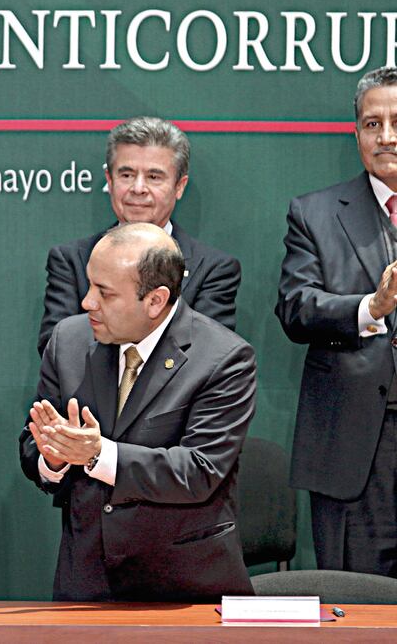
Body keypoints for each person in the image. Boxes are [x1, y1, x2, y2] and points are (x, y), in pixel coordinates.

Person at [22, 223, 255, 601]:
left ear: (155, 300)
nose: (87, 302)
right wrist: (53, 459)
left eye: (105, 293)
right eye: (89, 285)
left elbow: (199, 470)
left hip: (181, 589)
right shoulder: (67, 341)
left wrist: (98, 454)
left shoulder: (224, 359)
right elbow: (32, 448)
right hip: (86, 583)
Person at [276, 66, 397, 576]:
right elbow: (295, 306)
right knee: (359, 602)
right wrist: (371, 307)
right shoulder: (316, 213)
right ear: (356, 133)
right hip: (356, 450)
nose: (386, 135)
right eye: (372, 123)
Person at [38, 116, 240, 355]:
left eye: (154, 177)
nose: (138, 188)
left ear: (179, 186)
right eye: (127, 175)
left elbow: (208, 356)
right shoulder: (71, 260)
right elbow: (56, 348)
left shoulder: (212, 269)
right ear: (110, 181)